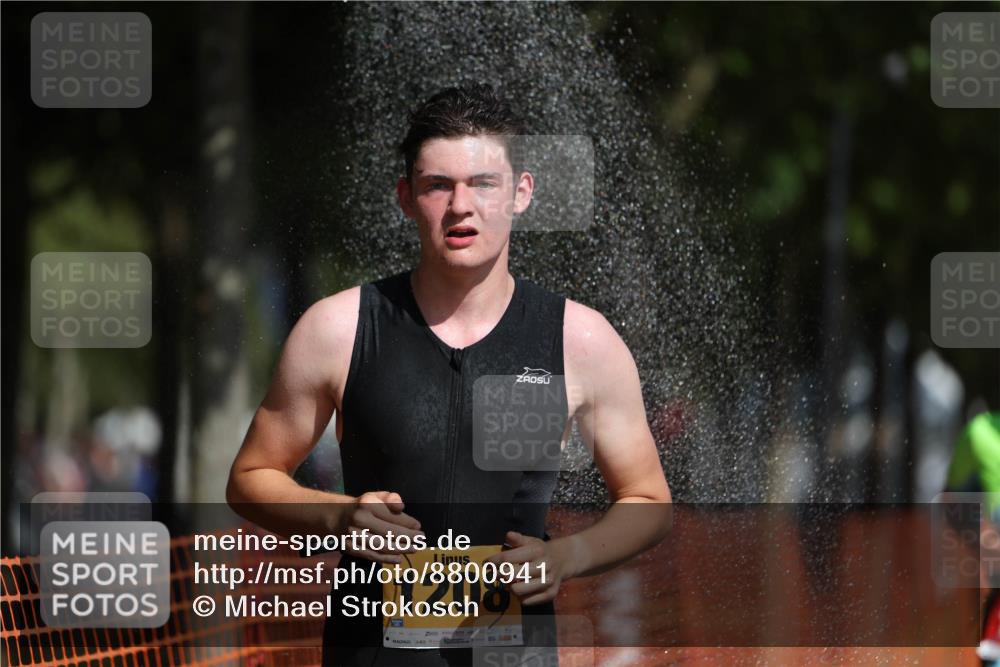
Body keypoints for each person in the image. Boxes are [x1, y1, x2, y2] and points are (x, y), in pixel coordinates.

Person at [226, 84, 671, 666]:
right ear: (407, 198)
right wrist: (339, 517)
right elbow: (250, 478)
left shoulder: (580, 340)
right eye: (439, 185)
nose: (461, 205)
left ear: (521, 193)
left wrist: (568, 557)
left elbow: (649, 499)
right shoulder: (337, 329)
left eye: (483, 183)